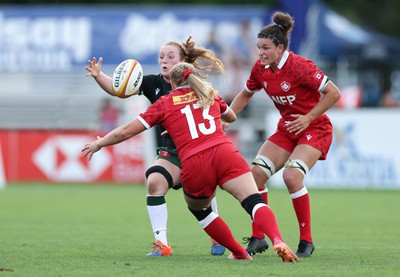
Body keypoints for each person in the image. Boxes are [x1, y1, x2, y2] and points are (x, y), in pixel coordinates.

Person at [82, 62, 298, 262]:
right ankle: (277, 239)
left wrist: (100, 144)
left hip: (195, 162)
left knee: (201, 210)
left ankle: (239, 252)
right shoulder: (209, 94)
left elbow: (126, 131)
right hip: (225, 153)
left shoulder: (165, 103)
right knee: (253, 202)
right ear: (193, 78)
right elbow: (231, 117)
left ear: (172, 83)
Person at [85, 36, 226, 256]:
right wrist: (98, 76)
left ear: (183, 61)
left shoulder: (197, 85)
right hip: (171, 152)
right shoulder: (153, 83)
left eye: (171, 57)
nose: (164, 61)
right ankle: (162, 244)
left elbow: (218, 115)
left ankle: (218, 238)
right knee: (154, 182)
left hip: (198, 149)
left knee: (203, 196)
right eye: (161, 56)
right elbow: (118, 89)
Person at [224, 11, 341, 258]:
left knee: (291, 176)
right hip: (287, 129)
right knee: (254, 175)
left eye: (265, 48)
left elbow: (334, 93)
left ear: (280, 47)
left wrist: (309, 117)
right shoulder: (261, 69)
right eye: (258, 48)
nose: (260, 53)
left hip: (315, 128)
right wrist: (227, 119)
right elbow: (245, 94)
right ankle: (258, 238)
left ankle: (306, 241)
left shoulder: (301, 67)